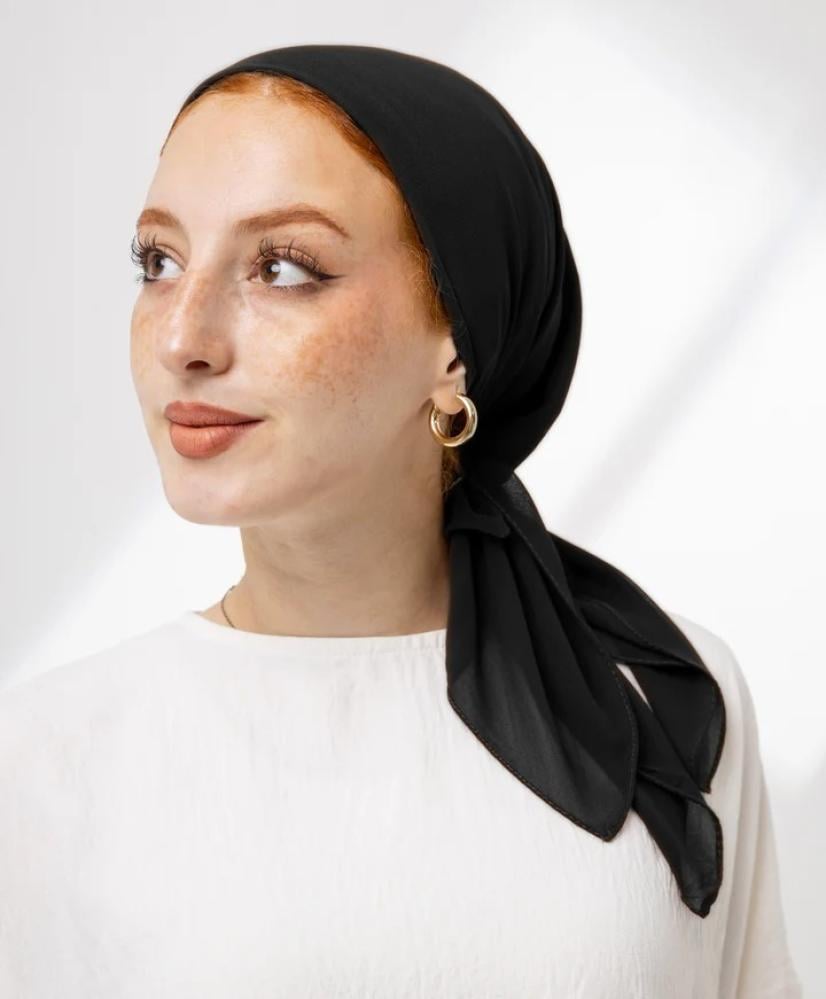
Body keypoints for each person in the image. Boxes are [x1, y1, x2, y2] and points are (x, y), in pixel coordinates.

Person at [0, 45, 803, 997]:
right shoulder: (45, 757)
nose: (183, 338)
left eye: (282, 267)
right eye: (158, 261)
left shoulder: (663, 693)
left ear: (456, 342)